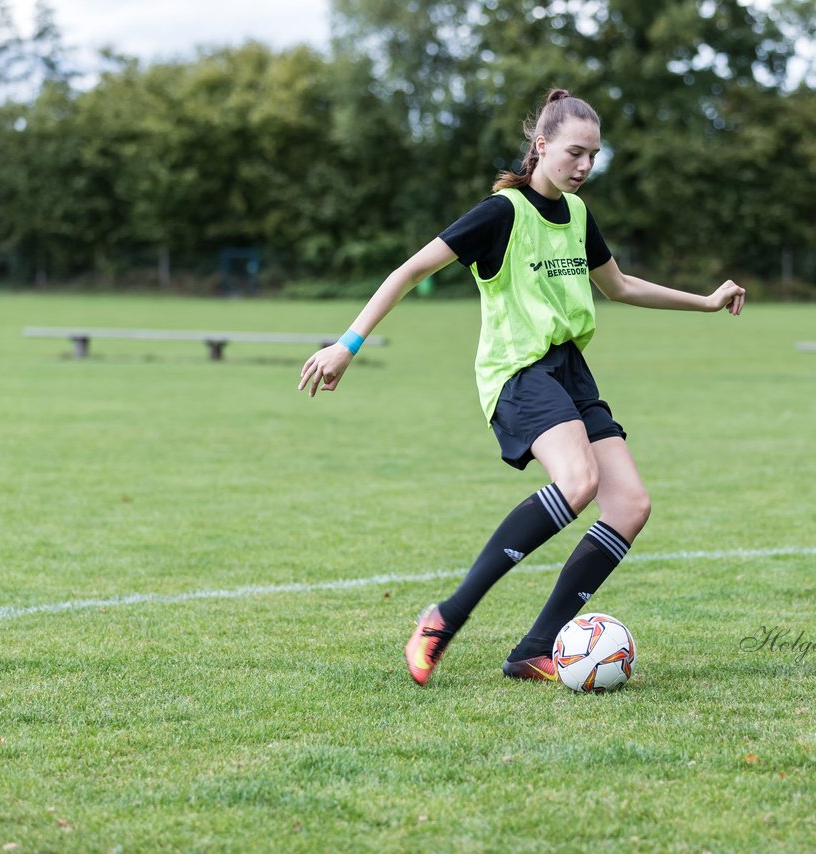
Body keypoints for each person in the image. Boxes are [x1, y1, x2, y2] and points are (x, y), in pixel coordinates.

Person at [298, 88, 745, 686]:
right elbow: (408, 270)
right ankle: (444, 618)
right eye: (574, 153)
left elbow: (621, 287)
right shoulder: (502, 212)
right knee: (578, 481)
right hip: (517, 370)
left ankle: (533, 649)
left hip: (568, 372)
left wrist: (706, 302)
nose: (584, 167)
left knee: (631, 505)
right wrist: (345, 344)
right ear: (541, 147)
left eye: (593, 156)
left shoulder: (580, 216)